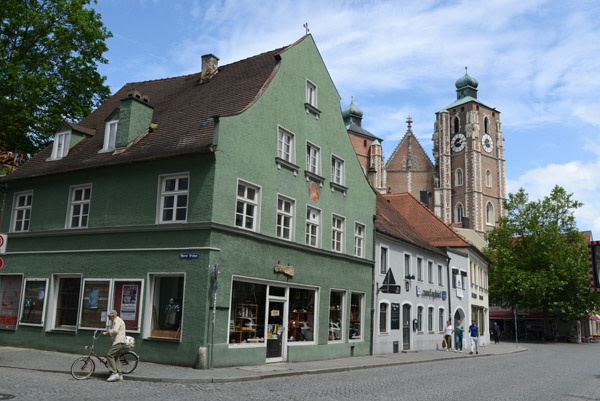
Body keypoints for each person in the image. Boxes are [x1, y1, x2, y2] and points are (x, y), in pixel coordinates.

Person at [102, 309, 126, 382]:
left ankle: (114, 373)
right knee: (116, 357)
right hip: (120, 342)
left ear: (112, 316)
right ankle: (119, 374)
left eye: (109, 317)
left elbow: (115, 331)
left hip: (118, 342)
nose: (109, 318)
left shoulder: (117, 320)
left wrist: (107, 332)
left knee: (109, 355)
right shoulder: (117, 320)